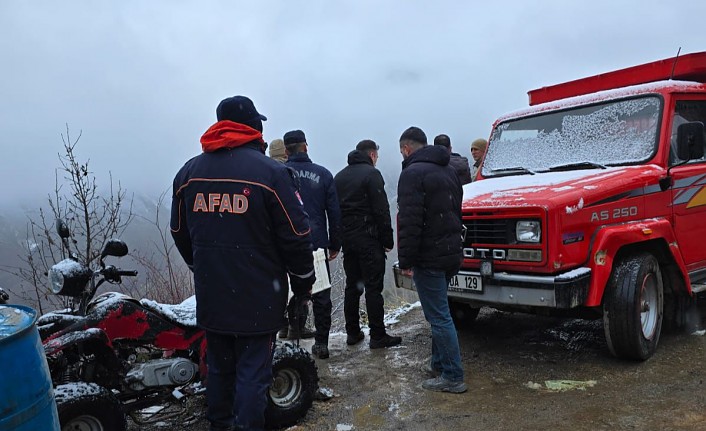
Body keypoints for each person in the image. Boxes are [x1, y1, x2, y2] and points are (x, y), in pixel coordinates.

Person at [170, 96, 315, 430]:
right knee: (253, 374)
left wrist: (200, 266)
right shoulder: (272, 173)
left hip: (213, 294)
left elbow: (179, 231)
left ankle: (220, 424)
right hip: (259, 297)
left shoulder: (189, 173)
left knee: (220, 370)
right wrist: (303, 284)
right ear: (254, 127)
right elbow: (297, 235)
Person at [397, 126, 467, 394]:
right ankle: (439, 362)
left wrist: (406, 260)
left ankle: (452, 375)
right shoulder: (448, 169)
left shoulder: (412, 174)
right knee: (440, 311)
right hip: (450, 253)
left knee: (438, 317)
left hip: (429, 257)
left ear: (406, 149)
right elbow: (456, 210)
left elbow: (410, 222)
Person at [334, 139, 402, 349]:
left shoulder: (340, 176)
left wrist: (338, 240)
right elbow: (381, 210)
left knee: (352, 287)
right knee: (373, 288)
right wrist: (388, 240)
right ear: (372, 155)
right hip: (369, 240)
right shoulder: (372, 174)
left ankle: (352, 333)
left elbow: (335, 212)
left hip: (349, 241)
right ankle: (378, 335)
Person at [282, 129, 342, 359]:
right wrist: (334, 243)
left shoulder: (279, 174)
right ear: (306, 146)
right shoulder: (323, 174)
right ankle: (322, 343)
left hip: (286, 245)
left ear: (286, 151)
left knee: (288, 292)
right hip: (316, 244)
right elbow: (334, 213)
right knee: (321, 294)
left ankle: (290, 342)